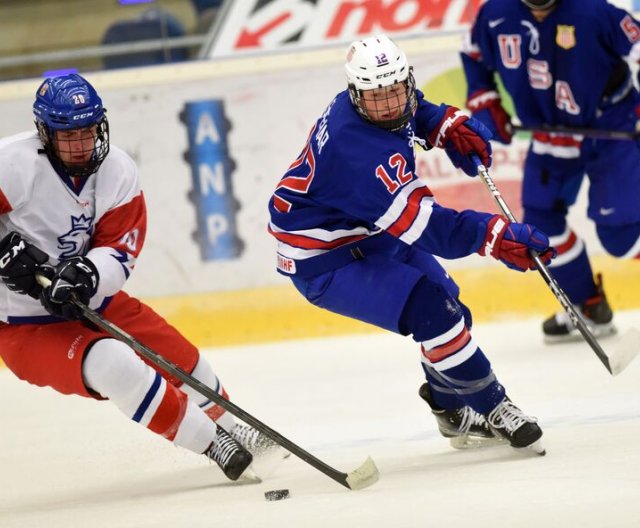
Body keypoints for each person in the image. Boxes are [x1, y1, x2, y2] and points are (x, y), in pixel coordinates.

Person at [268, 35, 555, 453]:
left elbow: (411, 107)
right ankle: (495, 407)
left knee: (453, 308)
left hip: (364, 228)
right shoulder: (360, 156)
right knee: (435, 314)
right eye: (377, 97)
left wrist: (443, 123)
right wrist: (493, 236)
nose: (389, 105)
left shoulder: (361, 99)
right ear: (356, 93)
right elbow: (430, 229)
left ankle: (450, 411)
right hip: (325, 258)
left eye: (395, 91)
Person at [0, 73, 277, 482]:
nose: (81, 145)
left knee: (186, 360)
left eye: (88, 131)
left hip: (91, 300)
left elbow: (120, 248)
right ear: (45, 132)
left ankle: (238, 429)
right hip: (24, 326)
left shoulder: (118, 171)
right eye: (68, 135)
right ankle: (212, 442)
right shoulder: (13, 164)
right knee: (115, 364)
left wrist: (87, 273)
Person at [461, 0, 640, 342]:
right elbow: (472, 54)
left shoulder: (594, 12)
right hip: (550, 132)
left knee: (622, 237)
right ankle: (589, 306)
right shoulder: (495, 13)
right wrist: (484, 100)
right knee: (540, 225)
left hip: (610, 127)